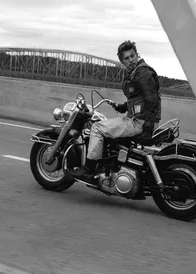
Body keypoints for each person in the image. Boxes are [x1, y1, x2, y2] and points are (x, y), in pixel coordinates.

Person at [68, 40, 161, 180]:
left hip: (139, 122)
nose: (131, 60)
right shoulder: (137, 72)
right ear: (122, 61)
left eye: (132, 56)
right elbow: (139, 98)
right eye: (126, 58)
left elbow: (152, 100)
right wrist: (122, 107)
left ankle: (89, 169)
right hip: (139, 119)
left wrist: (147, 128)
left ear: (137, 55)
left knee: (97, 127)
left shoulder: (143, 73)